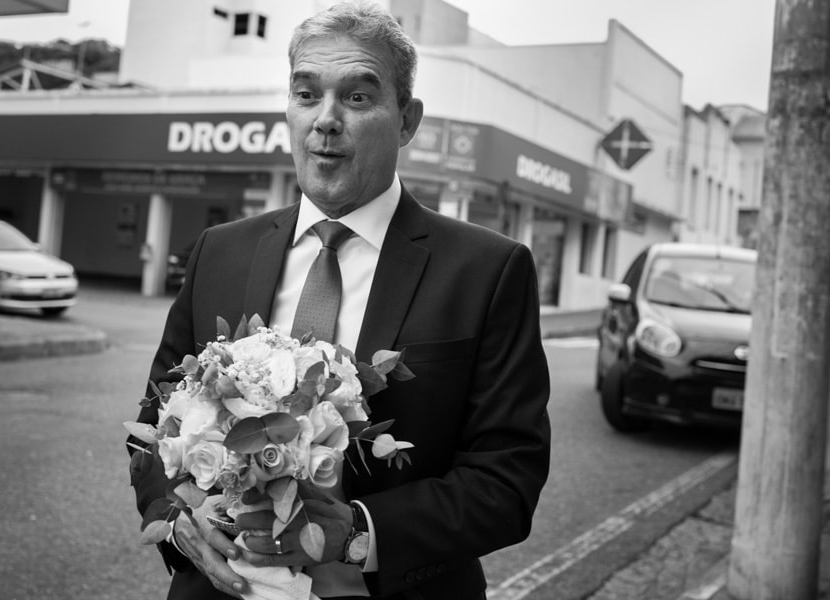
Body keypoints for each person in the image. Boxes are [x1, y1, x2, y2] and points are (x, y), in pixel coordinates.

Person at [129, 1, 551, 598]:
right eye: (306, 94)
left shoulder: (488, 270)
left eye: (357, 98)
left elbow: (508, 478)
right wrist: (179, 522)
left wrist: (357, 534)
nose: (325, 120)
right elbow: (150, 430)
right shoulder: (218, 252)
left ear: (407, 121)